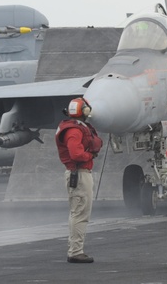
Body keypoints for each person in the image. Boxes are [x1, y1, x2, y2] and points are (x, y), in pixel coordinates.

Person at [56, 97, 103, 264]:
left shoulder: (75, 128)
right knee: (80, 213)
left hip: (79, 173)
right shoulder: (75, 131)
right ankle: (76, 251)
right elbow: (76, 154)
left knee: (78, 212)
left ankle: (75, 249)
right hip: (79, 174)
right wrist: (90, 155)